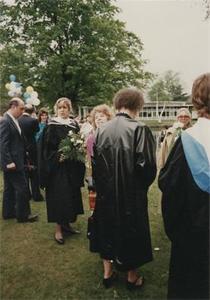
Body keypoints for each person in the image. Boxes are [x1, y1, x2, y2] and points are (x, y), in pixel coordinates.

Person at [89, 88, 156, 289]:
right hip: (131, 194)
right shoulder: (140, 128)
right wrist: (138, 188)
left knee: (107, 227)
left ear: (117, 104)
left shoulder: (101, 130)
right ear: (137, 106)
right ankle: (131, 277)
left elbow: (95, 164)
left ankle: (108, 274)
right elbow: (147, 168)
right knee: (132, 231)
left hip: (106, 193)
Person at [158, 73, 210, 299]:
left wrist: (177, 232)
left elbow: (170, 190)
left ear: (197, 102)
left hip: (194, 236)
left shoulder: (189, 139)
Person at [42, 97, 85, 245]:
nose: (62, 110)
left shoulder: (74, 125)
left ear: (69, 109)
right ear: (56, 109)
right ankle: (58, 229)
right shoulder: (51, 125)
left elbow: (79, 143)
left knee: (71, 195)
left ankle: (67, 225)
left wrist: (78, 150)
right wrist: (57, 157)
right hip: (57, 169)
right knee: (60, 197)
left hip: (72, 167)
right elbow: (46, 148)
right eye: (60, 107)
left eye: (65, 107)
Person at [0, 98, 38, 222]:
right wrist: (8, 161)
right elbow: (3, 144)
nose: (23, 111)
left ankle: (8, 213)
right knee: (22, 188)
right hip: (13, 162)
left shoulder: (13, 120)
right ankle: (23, 215)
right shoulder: (6, 120)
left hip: (16, 160)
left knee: (9, 188)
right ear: (13, 106)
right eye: (21, 108)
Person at [19, 104, 44, 202]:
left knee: (24, 171)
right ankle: (36, 195)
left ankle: (27, 194)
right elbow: (37, 130)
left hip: (21, 147)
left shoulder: (18, 120)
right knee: (34, 173)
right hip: (32, 147)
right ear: (33, 111)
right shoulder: (33, 120)